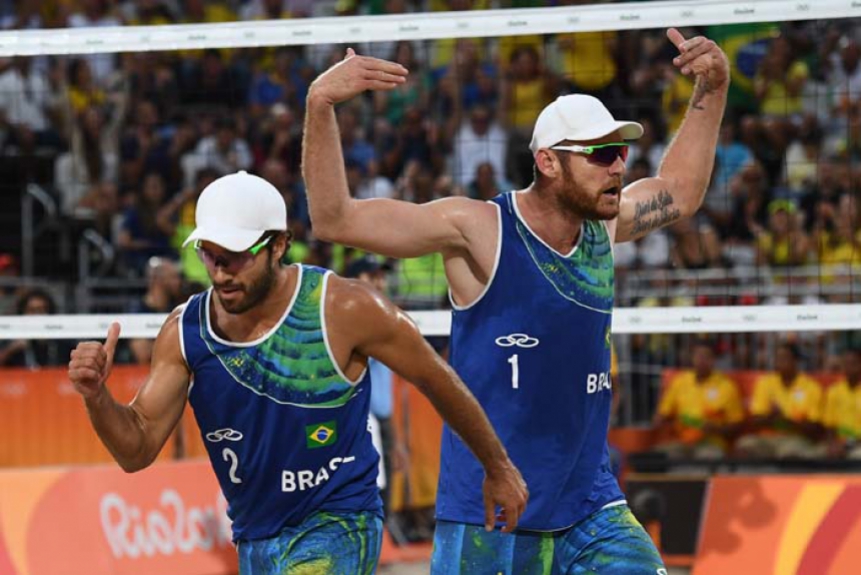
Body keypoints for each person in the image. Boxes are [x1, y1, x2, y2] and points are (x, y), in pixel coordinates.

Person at [303, 28, 729, 574]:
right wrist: (320, 104)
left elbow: (681, 189)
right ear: (549, 163)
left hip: (588, 504)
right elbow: (336, 219)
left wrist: (712, 89)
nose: (619, 166)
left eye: (620, 151)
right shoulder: (480, 230)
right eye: (601, 154)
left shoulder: (605, 225)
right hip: (494, 504)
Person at [67, 171, 527, 574]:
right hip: (255, 535)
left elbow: (435, 377)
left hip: (340, 520)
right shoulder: (186, 331)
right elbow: (136, 449)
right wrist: (96, 396)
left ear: (280, 244)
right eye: (210, 254)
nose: (222, 271)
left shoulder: (344, 307)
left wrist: (499, 467)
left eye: (237, 254)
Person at [652, 338, 744, 459]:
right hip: (682, 443)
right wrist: (659, 419)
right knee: (656, 455)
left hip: (711, 444)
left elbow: (737, 426)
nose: (701, 361)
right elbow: (662, 414)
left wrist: (717, 429)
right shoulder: (680, 382)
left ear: (714, 360)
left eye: (706, 357)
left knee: (708, 457)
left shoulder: (727, 386)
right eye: (698, 356)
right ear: (692, 358)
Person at [735, 342, 826, 459]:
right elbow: (755, 421)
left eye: (784, 358)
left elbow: (816, 429)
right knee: (743, 447)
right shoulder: (765, 383)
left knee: (789, 454)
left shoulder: (812, 387)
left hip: (796, 439)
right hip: (767, 439)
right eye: (777, 358)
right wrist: (771, 416)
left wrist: (788, 420)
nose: (779, 362)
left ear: (796, 361)